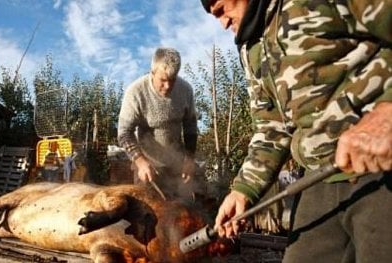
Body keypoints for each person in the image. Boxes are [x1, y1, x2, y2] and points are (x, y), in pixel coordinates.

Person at [200, 0, 392, 262]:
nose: (222, 23)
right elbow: (271, 128)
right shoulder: (251, 48)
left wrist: (388, 111)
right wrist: (242, 191)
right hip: (317, 180)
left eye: (222, 9)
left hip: (381, 170)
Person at [117, 47, 202, 201]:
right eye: (163, 80)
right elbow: (124, 133)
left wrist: (189, 160)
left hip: (177, 165)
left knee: (183, 211)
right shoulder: (135, 92)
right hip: (147, 165)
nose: (168, 86)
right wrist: (140, 161)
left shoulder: (185, 90)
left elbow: (190, 127)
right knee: (147, 213)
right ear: (152, 72)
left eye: (173, 80)